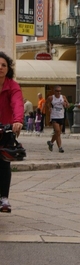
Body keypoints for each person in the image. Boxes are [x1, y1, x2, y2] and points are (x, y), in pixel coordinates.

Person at [0, 52, 24, 212]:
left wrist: (17, 121)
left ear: (8, 69)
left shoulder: (12, 86)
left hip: (5, 128)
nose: (0, 68)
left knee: (3, 164)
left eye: (3, 65)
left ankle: (4, 198)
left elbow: (17, 102)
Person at [46, 85, 69, 153]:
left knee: (58, 133)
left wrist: (66, 104)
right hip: (54, 116)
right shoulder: (51, 98)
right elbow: (46, 103)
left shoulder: (63, 97)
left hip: (61, 116)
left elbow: (68, 105)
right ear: (54, 91)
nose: (59, 92)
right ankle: (60, 147)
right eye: (57, 91)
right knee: (58, 131)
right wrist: (49, 108)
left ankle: (51, 142)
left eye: (60, 91)